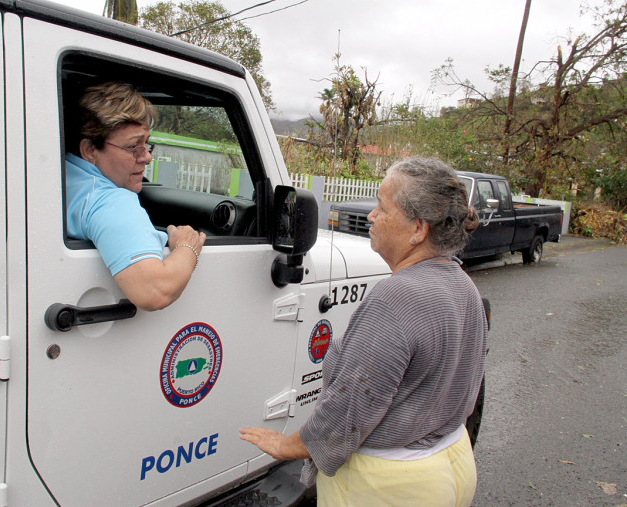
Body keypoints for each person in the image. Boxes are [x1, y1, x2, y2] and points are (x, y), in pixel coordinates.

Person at [240, 157, 487, 506]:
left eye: (382, 207)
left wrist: (286, 446)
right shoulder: (463, 284)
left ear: (418, 229)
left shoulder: (397, 297)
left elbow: (348, 412)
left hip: (391, 485)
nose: (371, 216)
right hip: (453, 462)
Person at [65, 82, 206, 311]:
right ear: (90, 150)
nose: (147, 157)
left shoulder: (64, 172)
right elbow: (155, 292)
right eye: (133, 147)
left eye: (146, 144)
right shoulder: (111, 201)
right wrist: (186, 247)